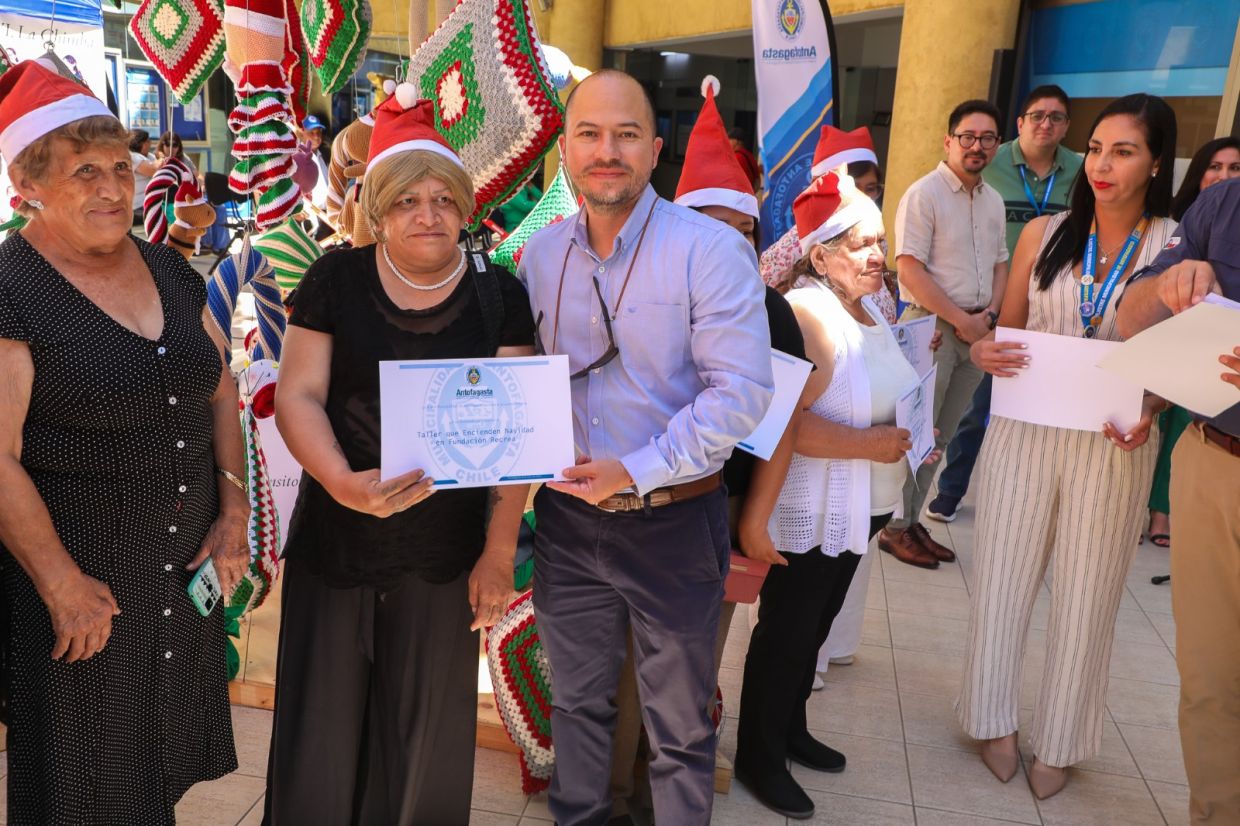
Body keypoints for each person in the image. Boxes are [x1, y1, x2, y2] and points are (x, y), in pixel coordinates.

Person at [264, 94, 535, 824]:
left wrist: (499, 553)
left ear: (465, 208)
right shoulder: (335, 280)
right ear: (379, 210)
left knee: (424, 740)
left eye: (444, 198)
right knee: (320, 737)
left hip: (445, 553)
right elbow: (298, 395)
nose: (428, 215)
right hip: (336, 539)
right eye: (408, 200)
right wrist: (340, 482)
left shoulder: (499, 296)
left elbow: (518, 436)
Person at [518, 68, 773, 826]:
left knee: (680, 728)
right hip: (567, 525)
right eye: (589, 134)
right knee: (576, 707)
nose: (607, 151)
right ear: (566, 150)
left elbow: (741, 394)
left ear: (656, 150)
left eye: (626, 135)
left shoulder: (708, 251)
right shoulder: (539, 258)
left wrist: (634, 470)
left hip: (673, 522)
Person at [0, 61, 245, 823]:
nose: (113, 189)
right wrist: (60, 586)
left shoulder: (168, 268)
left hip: (178, 575)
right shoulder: (11, 287)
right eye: (85, 172)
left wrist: (234, 511)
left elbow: (221, 388)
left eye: (120, 168)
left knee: (151, 769)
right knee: (81, 782)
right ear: (28, 184)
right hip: (82, 586)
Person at [959, 93, 1178, 801]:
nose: (1103, 165)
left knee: (1088, 595)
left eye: (1125, 152)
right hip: (1024, 431)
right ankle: (989, 718)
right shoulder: (1045, 233)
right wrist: (985, 351)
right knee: (1002, 580)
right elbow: (1007, 332)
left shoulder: (1175, 245)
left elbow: (1178, 363)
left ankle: (1062, 738)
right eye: (1099, 149)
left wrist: (1153, 406)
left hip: (1116, 443)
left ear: (1156, 163)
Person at [606, 75, 804, 824]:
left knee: (685, 673)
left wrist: (752, 519)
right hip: (624, 497)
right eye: (709, 226)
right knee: (618, 668)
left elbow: (779, 423)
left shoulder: (773, 312)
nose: (727, 244)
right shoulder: (635, 287)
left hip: (709, 508)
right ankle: (612, 798)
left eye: (741, 230)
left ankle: (660, 801)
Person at [736, 172, 934, 819]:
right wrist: (871, 444)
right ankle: (759, 756)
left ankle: (790, 730)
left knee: (814, 632)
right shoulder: (810, 315)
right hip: (813, 509)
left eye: (880, 241)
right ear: (820, 257)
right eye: (860, 244)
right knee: (787, 635)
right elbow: (781, 424)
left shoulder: (868, 307)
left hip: (858, 509)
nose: (878, 256)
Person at [1117, 179, 1240, 825]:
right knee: (1210, 680)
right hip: (1212, 460)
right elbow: (1132, 317)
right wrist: (1168, 285)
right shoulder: (1224, 205)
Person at [926, 85, 1081, 524]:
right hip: (998, 305)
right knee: (977, 406)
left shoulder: (1081, 170)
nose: (1046, 124)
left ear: (1066, 126)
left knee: (1044, 407)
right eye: (1037, 116)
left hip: (1057, 304)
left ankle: (1033, 500)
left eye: (1056, 117)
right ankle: (949, 492)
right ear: (1020, 123)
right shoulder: (991, 164)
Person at [880, 99, 1009, 568]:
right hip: (930, 328)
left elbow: (1000, 263)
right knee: (916, 433)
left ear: (997, 144)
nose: (977, 146)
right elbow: (909, 270)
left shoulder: (993, 200)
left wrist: (989, 316)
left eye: (987, 138)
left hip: (976, 331)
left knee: (943, 434)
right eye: (968, 137)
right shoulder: (924, 194)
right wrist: (960, 319)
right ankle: (893, 526)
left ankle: (911, 519)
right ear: (949, 141)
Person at [1141, 137, 1240, 547]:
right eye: (1215, 166)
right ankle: (1159, 511)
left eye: (1234, 167)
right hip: (1213, 443)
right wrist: (1171, 284)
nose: (1223, 175)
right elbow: (1137, 312)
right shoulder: (1216, 209)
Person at [128, 128, 160, 219]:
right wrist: (161, 159)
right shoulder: (132, 157)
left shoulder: (150, 156)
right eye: (148, 141)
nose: (150, 143)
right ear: (141, 143)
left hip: (153, 201)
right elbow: (154, 171)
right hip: (138, 206)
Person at [729, 125, 761, 192]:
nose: (728, 142)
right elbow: (758, 181)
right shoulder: (751, 156)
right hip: (748, 193)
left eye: (730, 139)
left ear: (736, 141)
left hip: (738, 193)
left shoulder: (737, 157)